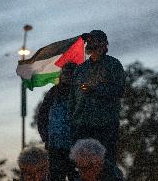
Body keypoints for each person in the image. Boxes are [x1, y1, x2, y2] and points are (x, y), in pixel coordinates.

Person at [68, 30, 125, 164]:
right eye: (89, 41)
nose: (91, 43)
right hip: (81, 125)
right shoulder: (80, 69)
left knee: (105, 164)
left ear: (104, 44)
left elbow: (120, 90)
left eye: (95, 40)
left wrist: (95, 90)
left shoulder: (113, 65)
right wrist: (72, 119)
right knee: (82, 164)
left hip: (105, 124)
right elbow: (72, 98)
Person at [37, 62, 78, 181]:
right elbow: (42, 116)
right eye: (65, 73)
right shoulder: (53, 92)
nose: (68, 76)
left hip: (76, 145)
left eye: (71, 74)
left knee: (76, 177)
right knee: (55, 177)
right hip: (55, 146)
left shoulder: (82, 93)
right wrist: (45, 137)